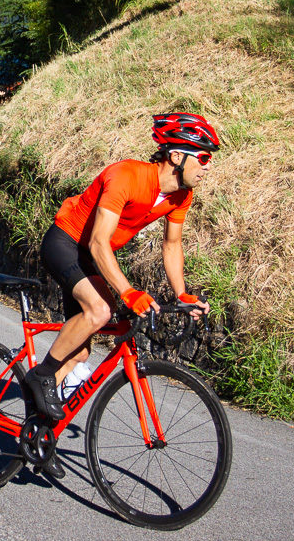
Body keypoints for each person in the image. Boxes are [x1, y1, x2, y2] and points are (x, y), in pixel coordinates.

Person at [26, 112, 219, 444]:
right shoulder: (127, 176)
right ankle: (40, 375)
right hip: (66, 242)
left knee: (80, 353)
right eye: (202, 157)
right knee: (99, 312)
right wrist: (128, 291)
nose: (208, 166)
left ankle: (37, 436)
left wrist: (182, 293)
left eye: (210, 159)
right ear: (176, 156)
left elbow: (171, 245)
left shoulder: (181, 195)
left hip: (92, 254)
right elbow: (99, 241)